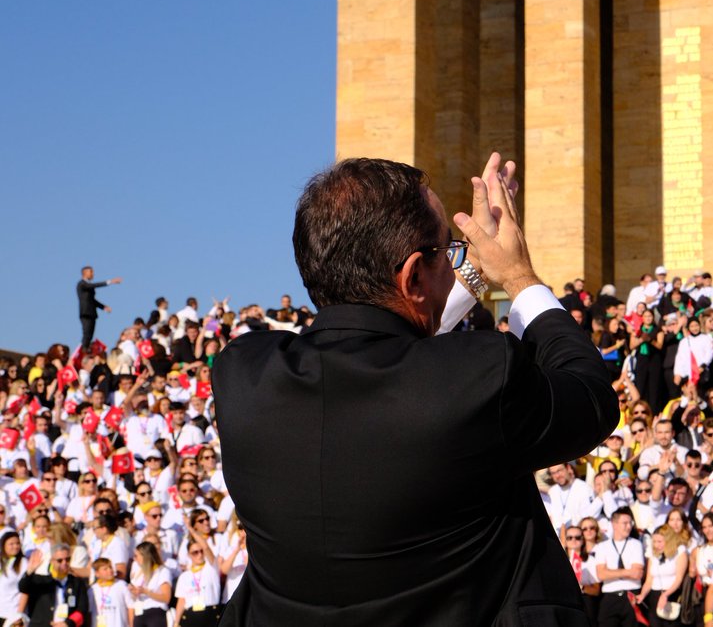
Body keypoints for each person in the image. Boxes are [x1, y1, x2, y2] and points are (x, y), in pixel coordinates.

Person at [213, 154, 619, 624]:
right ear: (411, 275)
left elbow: (393, 350)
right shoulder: (480, 374)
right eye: (448, 250)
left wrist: (471, 270)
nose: (454, 260)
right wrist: (518, 277)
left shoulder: (243, 376)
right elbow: (590, 397)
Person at [595, 508, 645, 627]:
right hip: (610, 597)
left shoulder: (636, 544)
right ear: (614, 524)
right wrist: (628, 571)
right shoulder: (602, 546)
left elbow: (637, 573)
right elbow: (601, 575)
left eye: (630, 523)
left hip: (631, 595)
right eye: (625, 523)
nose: (628, 526)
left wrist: (610, 572)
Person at [20, 545, 91, 627]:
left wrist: (68, 623)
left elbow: (82, 608)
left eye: (67, 559)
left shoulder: (77, 583)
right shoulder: (41, 580)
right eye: (60, 560)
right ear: (51, 561)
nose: (64, 563)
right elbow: (23, 587)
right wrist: (29, 571)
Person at [77, 266, 121, 349]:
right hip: (86, 313)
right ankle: (84, 349)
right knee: (87, 333)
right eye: (91, 272)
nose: (93, 274)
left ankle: (87, 348)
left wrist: (103, 307)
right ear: (85, 273)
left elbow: (92, 300)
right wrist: (110, 282)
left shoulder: (88, 286)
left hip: (92, 312)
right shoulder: (82, 284)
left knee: (90, 333)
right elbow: (93, 285)